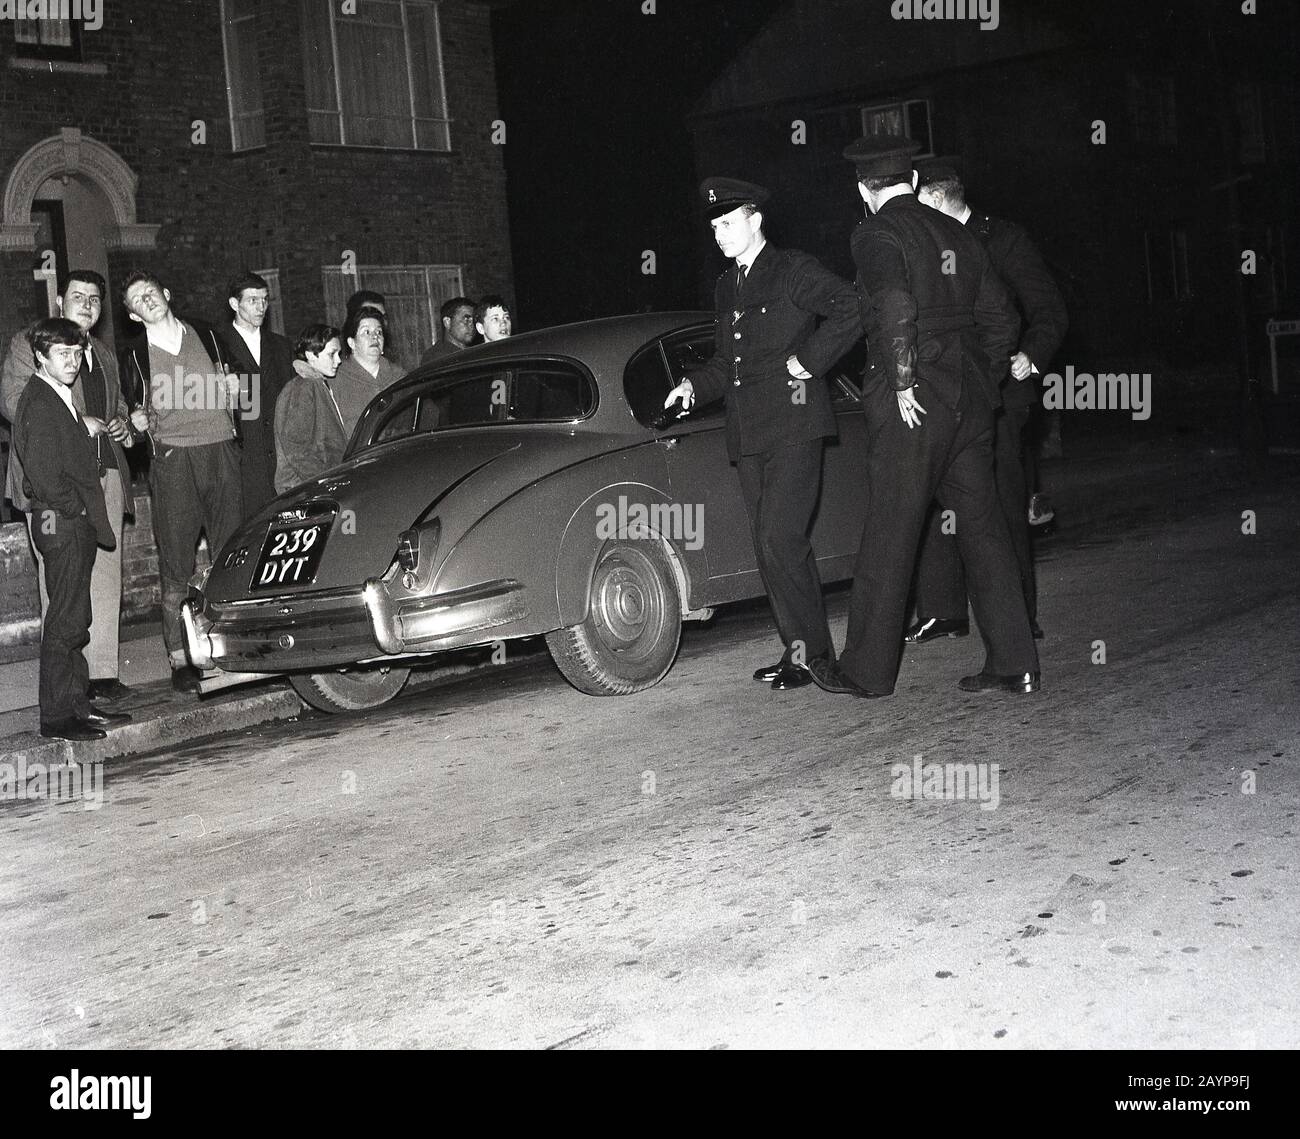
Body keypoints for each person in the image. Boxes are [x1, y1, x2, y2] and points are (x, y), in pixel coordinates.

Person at [809, 136, 1039, 698]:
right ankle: (1016, 664)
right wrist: (983, 382)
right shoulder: (958, 232)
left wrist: (904, 377)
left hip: (912, 401)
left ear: (864, 191)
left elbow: (892, 304)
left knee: (891, 528)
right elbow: (1001, 318)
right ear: (912, 184)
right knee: (984, 530)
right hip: (969, 403)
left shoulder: (876, 233)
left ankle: (866, 672)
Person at [663, 178, 861, 691]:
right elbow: (727, 362)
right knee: (767, 545)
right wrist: (691, 385)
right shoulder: (728, 285)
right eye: (713, 227)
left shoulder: (792, 269)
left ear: (755, 220)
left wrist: (811, 360)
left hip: (795, 426)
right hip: (748, 434)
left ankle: (817, 656)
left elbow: (852, 306)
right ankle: (796, 654)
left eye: (728, 224)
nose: (719, 235)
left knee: (781, 537)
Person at [906, 158, 1069, 643]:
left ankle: (1019, 616)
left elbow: (1049, 308)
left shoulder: (1003, 239)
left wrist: (1031, 357)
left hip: (999, 392)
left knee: (999, 499)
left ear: (934, 199)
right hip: (942, 388)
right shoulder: (923, 245)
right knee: (935, 494)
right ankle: (943, 609)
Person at [1, 270, 145, 702]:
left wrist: (121, 424)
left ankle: (100, 674)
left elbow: (114, 403)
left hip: (105, 473)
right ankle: (66, 692)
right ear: (59, 301)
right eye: (78, 296)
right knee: (63, 583)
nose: (87, 304)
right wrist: (78, 422)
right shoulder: (32, 342)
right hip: (57, 482)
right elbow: (13, 399)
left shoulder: (99, 350)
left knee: (104, 574)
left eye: (96, 299)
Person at [119, 270, 244, 693]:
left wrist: (237, 389)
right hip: (173, 459)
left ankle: (237, 644)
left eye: (150, 292)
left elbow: (247, 394)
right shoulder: (134, 355)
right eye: (137, 299)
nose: (146, 299)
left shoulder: (208, 335)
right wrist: (135, 426)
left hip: (220, 450)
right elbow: (132, 419)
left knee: (231, 552)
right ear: (133, 316)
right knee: (176, 563)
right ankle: (179, 658)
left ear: (166, 293)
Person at [12, 318, 131, 740]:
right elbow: (43, 475)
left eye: (77, 353)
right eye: (62, 354)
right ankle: (58, 717)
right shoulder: (40, 399)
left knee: (75, 616)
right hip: (63, 523)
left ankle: (78, 706)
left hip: (70, 521)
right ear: (41, 357)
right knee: (65, 619)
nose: (73, 361)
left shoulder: (58, 395)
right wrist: (75, 511)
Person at [216, 271, 295, 513]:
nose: (261, 307)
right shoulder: (217, 344)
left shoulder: (281, 346)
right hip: (242, 461)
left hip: (280, 460)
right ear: (234, 304)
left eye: (264, 299)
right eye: (252, 300)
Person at [274, 325, 347, 492]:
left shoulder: (315, 383)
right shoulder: (304, 387)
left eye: (338, 354)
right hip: (304, 488)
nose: (338, 360)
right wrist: (326, 481)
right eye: (331, 354)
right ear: (310, 355)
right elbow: (297, 447)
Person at [332, 306, 403, 437]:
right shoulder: (336, 379)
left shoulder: (399, 376)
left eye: (379, 332)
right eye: (366, 332)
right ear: (352, 343)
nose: (375, 337)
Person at [419, 297, 477, 365]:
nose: (472, 326)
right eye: (466, 320)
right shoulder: (436, 358)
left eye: (474, 321)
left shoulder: (475, 352)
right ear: (447, 322)